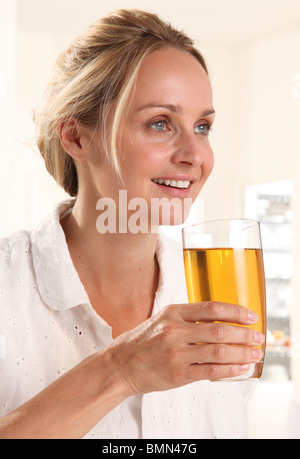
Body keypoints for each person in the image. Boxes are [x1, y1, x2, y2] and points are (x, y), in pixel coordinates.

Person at [0, 9, 263, 439]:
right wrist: (122, 370)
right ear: (76, 137)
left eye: (203, 126)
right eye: (160, 123)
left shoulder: (217, 292)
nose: (195, 156)